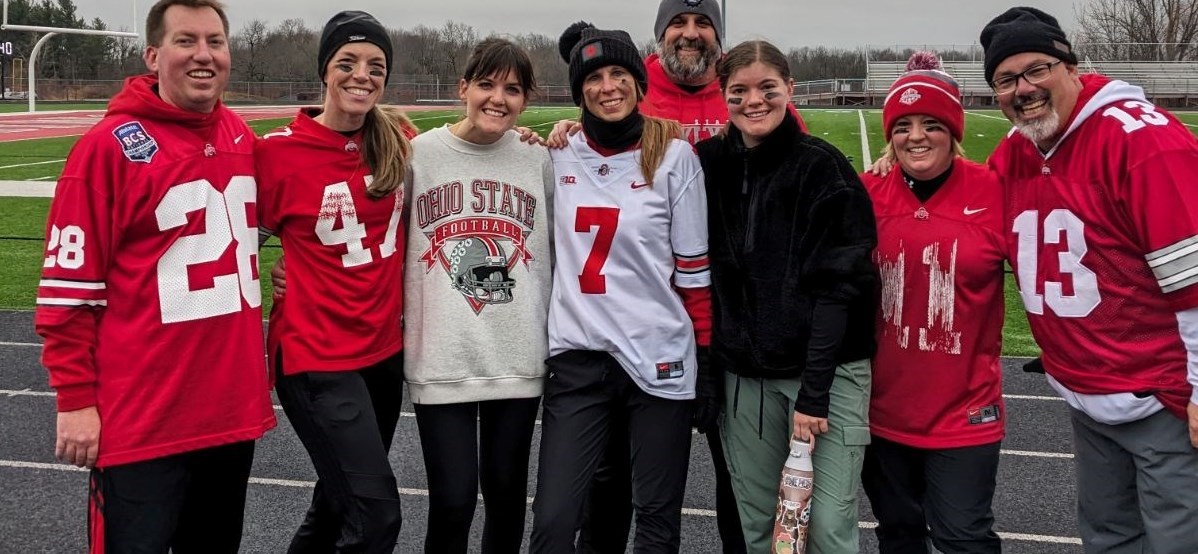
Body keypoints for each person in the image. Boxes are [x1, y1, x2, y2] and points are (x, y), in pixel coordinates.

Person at [34, 0, 276, 551]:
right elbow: (67, 293)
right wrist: (74, 400)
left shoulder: (240, 135)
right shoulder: (106, 149)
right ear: (153, 54)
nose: (203, 55)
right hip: (143, 420)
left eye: (215, 41)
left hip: (229, 412)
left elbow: (305, 202)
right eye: (186, 41)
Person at [981, 7, 1198, 553]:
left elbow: (1194, 281)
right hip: (1085, 394)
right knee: (1107, 538)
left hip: (1162, 395)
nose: (1023, 89)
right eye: (1005, 80)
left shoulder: (1141, 140)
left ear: (1072, 67)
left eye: (1037, 70)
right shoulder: (1018, 150)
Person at [529, 21, 712, 554]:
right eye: (593, 77)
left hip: (658, 355)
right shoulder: (554, 154)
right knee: (557, 520)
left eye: (618, 74)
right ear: (578, 89)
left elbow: (694, 275)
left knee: (655, 518)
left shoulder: (674, 157)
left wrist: (705, 359)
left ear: (638, 81)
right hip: (581, 359)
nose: (607, 86)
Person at [694, 40, 878, 554]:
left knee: (825, 528)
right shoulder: (705, 164)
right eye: (739, 91)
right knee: (759, 526)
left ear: (789, 89)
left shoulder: (823, 169)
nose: (754, 101)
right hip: (744, 376)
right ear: (722, 95)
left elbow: (841, 288)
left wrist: (815, 391)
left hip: (823, 373)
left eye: (767, 88)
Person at [255, 10, 412, 553]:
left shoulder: (399, 139)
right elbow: (231, 243)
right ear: (325, 70)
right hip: (316, 356)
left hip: (383, 352)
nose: (361, 75)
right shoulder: (277, 153)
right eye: (347, 62)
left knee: (336, 503)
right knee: (376, 517)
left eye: (376, 66)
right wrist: (275, 269)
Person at [404, 37, 554, 553]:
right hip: (442, 356)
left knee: (508, 495)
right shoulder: (419, 156)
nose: (498, 98)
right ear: (463, 88)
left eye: (513, 89)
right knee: (453, 500)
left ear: (526, 99)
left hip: (516, 355)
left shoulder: (539, 160)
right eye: (487, 84)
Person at [859, 52, 1005, 554]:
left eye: (931, 124)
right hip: (883, 411)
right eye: (902, 126)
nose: (915, 137)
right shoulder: (867, 192)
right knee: (898, 536)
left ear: (954, 131)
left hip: (965, 410)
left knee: (964, 537)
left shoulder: (995, 190)